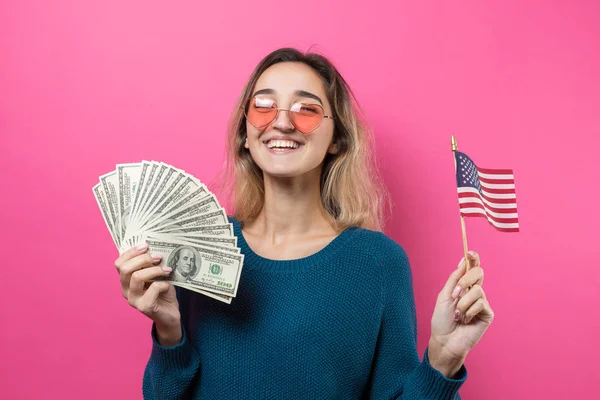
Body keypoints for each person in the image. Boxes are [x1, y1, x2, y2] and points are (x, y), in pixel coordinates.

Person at [114, 48, 494, 399]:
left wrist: (443, 359)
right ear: (246, 133)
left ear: (336, 139)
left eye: (306, 110)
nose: (281, 122)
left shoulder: (378, 263)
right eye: (263, 106)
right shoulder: (200, 244)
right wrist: (168, 331)